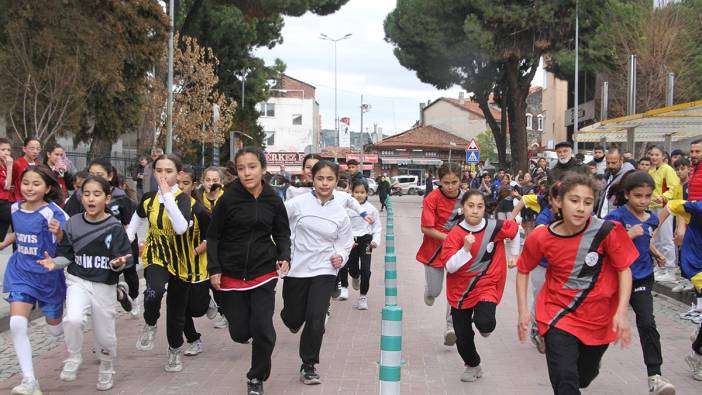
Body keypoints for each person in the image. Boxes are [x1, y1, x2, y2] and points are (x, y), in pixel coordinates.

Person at [516, 174, 638, 395]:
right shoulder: (541, 236)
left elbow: (624, 269)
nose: (581, 208)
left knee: (583, 376)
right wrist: (524, 310)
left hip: (597, 318)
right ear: (559, 202)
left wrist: (621, 312)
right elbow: (523, 269)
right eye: (574, 200)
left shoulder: (606, 231)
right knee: (565, 378)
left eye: (588, 202)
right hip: (557, 314)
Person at [207, 147, 291, 394]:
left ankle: (256, 377)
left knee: (263, 330)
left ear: (263, 168)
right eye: (241, 168)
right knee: (240, 332)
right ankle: (245, 331)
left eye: (252, 166)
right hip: (231, 274)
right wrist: (215, 269)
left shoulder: (273, 198)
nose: (247, 173)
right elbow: (213, 237)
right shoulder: (229, 199)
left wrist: (284, 255)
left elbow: (282, 232)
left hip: (263, 271)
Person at [37, 175, 132, 391]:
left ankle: (107, 367)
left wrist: (118, 263)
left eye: (97, 194)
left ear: (107, 199)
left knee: (105, 336)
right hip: (77, 280)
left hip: (104, 285)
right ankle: (73, 356)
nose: (90, 198)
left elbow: (126, 258)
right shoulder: (73, 223)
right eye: (86, 194)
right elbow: (67, 254)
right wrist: (54, 263)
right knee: (72, 319)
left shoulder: (114, 227)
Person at [281, 160, 354, 386]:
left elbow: (346, 242)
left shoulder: (340, 213)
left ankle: (309, 365)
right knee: (293, 316)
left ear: (336, 181)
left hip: (325, 270)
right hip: (297, 268)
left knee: (316, 318)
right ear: (312, 179)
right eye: (320, 178)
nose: (324, 183)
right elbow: (278, 225)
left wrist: (340, 256)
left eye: (329, 179)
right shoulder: (297, 204)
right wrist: (281, 253)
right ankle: (292, 320)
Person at [604, 172, 676, 394]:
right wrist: (628, 234)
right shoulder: (615, 217)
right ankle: (582, 363)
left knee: (647, 323)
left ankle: (655, 376)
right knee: (600, 325)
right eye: (638, 196)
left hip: (642, 277)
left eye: (647, 196)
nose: (643, 201)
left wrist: (656, 254)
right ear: (627, 195)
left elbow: (646, 239)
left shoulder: (652, 218)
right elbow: (606, 245)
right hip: (615, 279)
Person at [440, 190, 519, 382]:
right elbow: (449, 266)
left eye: (480, 206)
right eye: (471, 206)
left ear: (485, 208)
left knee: (485, 322)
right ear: (463, 208)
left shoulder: (494, 227)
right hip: (460, 291)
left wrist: (515, 254)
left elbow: (516, 229)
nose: (475, 210)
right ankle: (473, 365)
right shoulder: (455, 234)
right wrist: (465, 248)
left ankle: (484, 323)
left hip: (487, 282)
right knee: (463, 336)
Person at [1, 165, 67, 395]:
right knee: (16, 324)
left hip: (48, 276)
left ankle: (74, 330)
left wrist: (58, 233)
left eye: (36, 183)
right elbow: (17, 233)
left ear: (47, 187)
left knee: (55, 330)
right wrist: (6, 241)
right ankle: (30, 380)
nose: (29, 188)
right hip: (20, 273)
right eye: (25, 183)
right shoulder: (14, 208)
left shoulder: (54, 213)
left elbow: (67, 244)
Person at [126, 154, 193, 372]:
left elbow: (181, 228)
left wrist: (167, 195)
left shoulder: (183, 199)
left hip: (181, 260)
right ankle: (150, 322)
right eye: (159, 171)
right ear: (154, 172)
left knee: (176, 312)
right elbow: (132, 227)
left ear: (178, 174)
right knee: (153, 292)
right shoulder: (147, 199)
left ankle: (174, 351)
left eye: (169, 171)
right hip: (156, 255)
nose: (163, 175)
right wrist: (122, 249)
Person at [417, 162, 464, 346]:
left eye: (455, 182)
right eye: (446, 182)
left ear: (461, 180)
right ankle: (429, 289)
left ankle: (451, 327)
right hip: (434, 250)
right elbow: (426, 228)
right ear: (440, 181)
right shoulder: (432, 198)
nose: (451, 186)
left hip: (458, 252)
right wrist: (449, 238)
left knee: (455, 291)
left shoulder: (467, 197)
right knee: (436, 291)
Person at [175, 166, 217, 357]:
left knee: (197, 309)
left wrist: (194, 251)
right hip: (176, 267)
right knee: (180, 308)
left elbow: (211, 237)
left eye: (185, 183)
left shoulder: (198, 209)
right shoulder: (165, 206)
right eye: (177, 183)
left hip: (197, 266)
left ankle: (208, 301)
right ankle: (193, 340)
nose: (180, 187)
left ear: (193, 186)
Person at [658, 199, 702, 381]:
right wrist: (653, 232)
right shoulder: (697, 207)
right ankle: (697, 356)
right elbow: (671, 205)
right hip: (697, 264)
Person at [336, 180, 381, 309]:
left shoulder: (371, 209)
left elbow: (377, 227)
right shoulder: (346, 208)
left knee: (366, 270)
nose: (359, 195)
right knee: (352, 268)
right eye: (356, 192)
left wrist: (375, 241)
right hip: (351, 240)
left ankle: (363, 297)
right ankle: (355, 277)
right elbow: (342, 225)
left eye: (362, 192)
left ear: (367, 193)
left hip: (366, 240)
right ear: (351, 192)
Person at [648, 146, 680, 283]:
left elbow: (673, 187)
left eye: (656, 154)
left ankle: (670, 269)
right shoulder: (651, 170)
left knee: (666, 238)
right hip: (653, 206)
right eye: (652, 154)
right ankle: (661, 267)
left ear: (663, 156)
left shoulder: (668, 169)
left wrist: (664, 197)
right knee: (656, 238)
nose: (654, 157)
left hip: (664, 206)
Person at [596, 148, 636, 218]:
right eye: (608, 163)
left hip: (618, 220)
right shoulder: (608, 174)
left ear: (621, 160)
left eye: (613, 163)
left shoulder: (629, 176)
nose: (610, 166)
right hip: (604, 218)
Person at [12, 137, 42, 202]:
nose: (35, 151)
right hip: (20, 200)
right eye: (32, 148)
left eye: (38, 149)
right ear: (24, 149)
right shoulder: (17, 164)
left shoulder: (38, 165)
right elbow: (12, 182)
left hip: (35, 199)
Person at [0, 138, 14, 244]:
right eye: (3, 149)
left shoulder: (4, 165)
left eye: (8, 150)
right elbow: (6, 186)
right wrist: (10, 167)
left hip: (6, 201)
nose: (6, 152)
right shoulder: (6, 166)